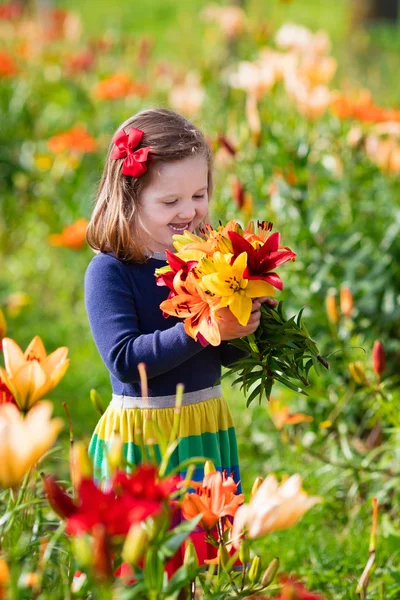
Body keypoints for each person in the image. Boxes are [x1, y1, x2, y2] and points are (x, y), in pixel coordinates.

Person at [84, 107, 274, 562]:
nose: (189, 211)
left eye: (200, 194)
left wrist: (250, 318)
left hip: (204, 425)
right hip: (144, 434)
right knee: (147, 559)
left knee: (205, 555)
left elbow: (218, 359)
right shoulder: (110, 271)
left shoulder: (206, 259)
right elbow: (127, 362)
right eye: (170, 202)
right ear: (130, 198)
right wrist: (206, 327)